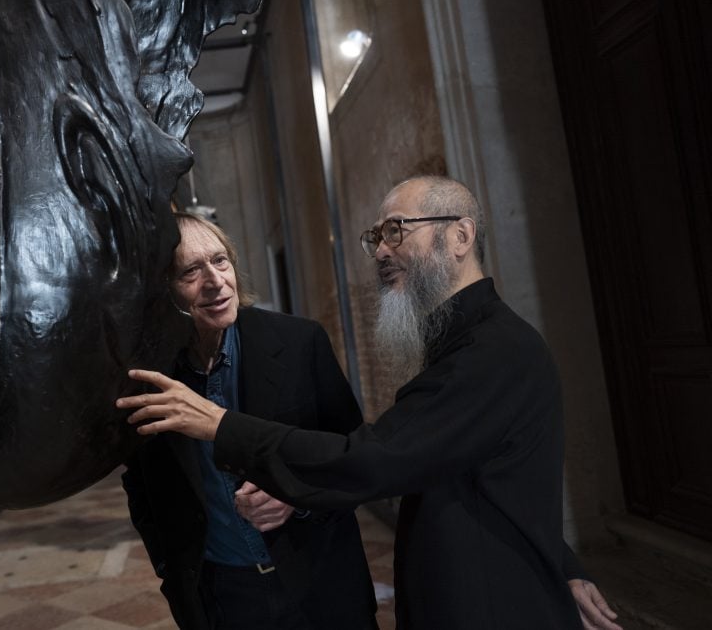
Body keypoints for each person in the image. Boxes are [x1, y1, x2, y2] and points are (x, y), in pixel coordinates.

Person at [118, 177, 622, 630]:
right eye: (377, 237)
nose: (381, 250)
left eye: (397, 231)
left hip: (483, 602)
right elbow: (484, 475)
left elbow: (369, 456)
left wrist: (222, 425)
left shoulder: (492, 352)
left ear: (461, 236)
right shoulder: (463, 343)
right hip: (232, 594)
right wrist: (561, 562)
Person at [121, 211, 378, 629]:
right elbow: (144, 488)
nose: (215, 281)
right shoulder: (148, 378)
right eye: (190, 271)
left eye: (220, 261)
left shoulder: (299, 343)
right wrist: (172, 571)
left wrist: (297, 499)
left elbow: (356, 456)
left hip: (319, 581)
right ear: (161, 291)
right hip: (224, 596)